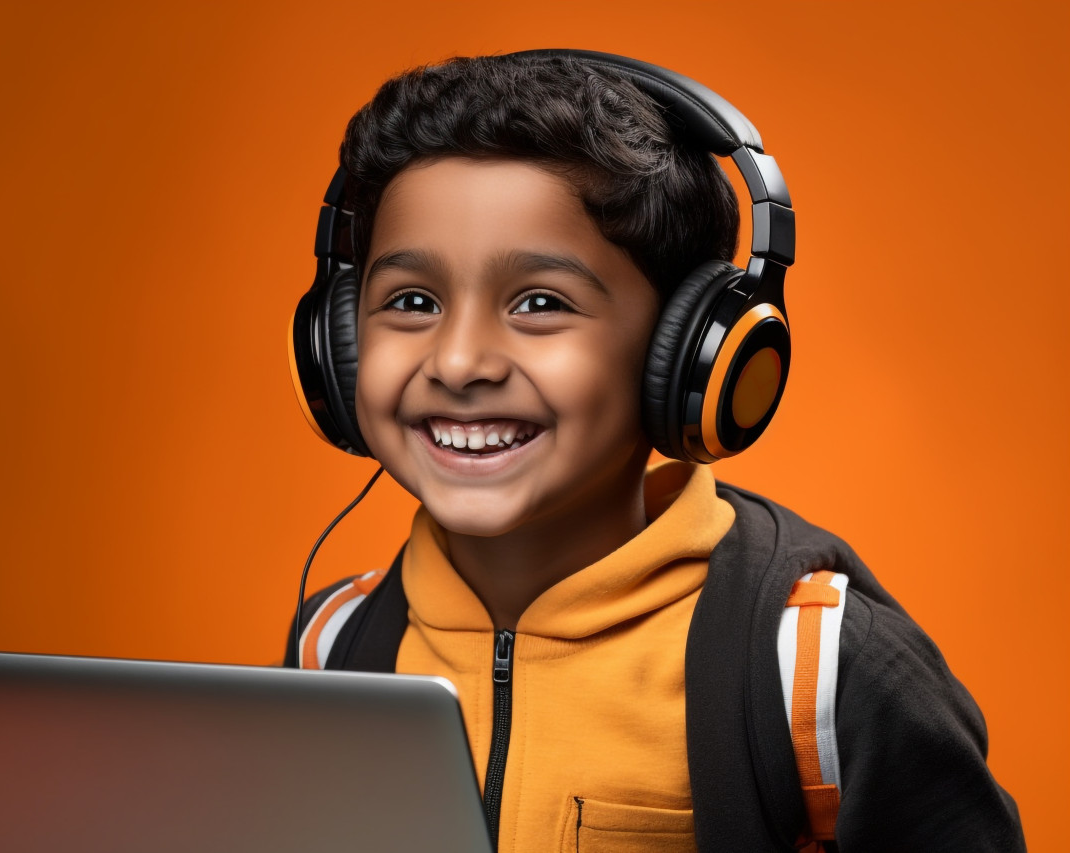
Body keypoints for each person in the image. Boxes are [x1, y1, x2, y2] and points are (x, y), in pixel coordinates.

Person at [284, 51, 1025, 852]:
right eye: (413, 301)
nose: (460, 362)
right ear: (341, 342)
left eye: (539, 303)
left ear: (696, 356)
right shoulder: (335, 645)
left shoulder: (812, 670)